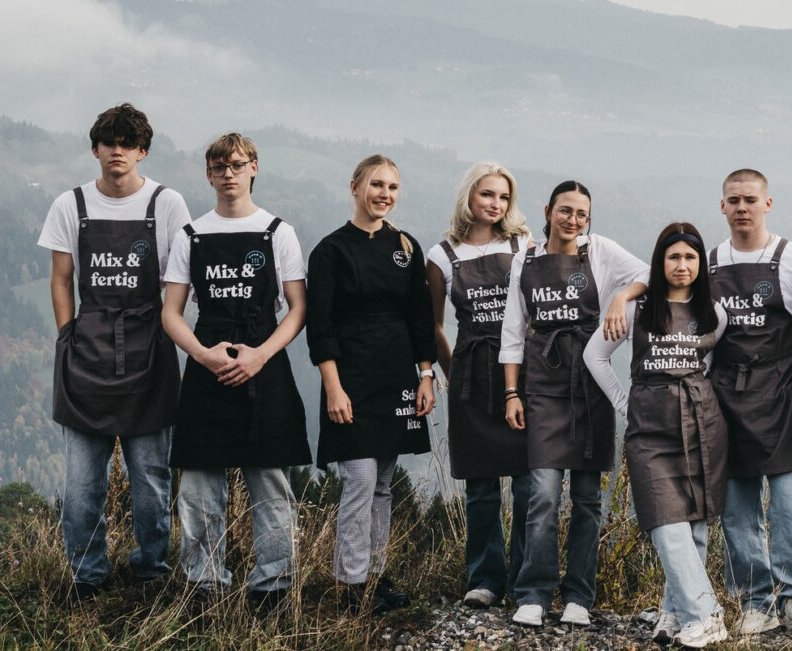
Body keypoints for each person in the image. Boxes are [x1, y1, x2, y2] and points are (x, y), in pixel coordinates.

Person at [42, 101, 191, 596]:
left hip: (149, 350)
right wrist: (67, 337)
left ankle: (151, 570)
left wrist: (167, 332)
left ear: (143, 151)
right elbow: (61, 279)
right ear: (95, 149)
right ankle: (86, 575)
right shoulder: (71, 205)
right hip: (87, 354)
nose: (117, 152)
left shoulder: (167, 204)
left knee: (150, 478)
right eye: (109, 143)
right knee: (82, 483)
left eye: (128, 144)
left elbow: (180, 279)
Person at [160, 131, 309, 608]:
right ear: (208, 174)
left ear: (254, 168)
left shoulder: (278, 232)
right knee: (199, 484)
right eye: (220, 167)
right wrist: (202, 355)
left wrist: (260, 355)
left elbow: (298, 308)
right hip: (207, 367)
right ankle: (204, 587)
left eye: (238, 165)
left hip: (265, 364)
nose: (229, 174)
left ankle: (273, 587)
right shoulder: (191, 235)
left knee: (271, 482)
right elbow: (171, 313)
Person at [502, 180, 647, 628]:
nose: (573, 220)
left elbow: (651, 273)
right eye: (565, 211)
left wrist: (621, 296)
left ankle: (579, 596)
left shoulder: (600, 250)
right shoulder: (525, 260)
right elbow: (512, 331)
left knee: (587, 499)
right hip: (542, 388)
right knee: (543, 496)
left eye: (582, 214)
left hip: (590, 387)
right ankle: (534, 593)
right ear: (548, 210)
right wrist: (512, 393)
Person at [308, 153, 439, 613]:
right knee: (360, 480)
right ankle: (350, 583)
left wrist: (426, 375)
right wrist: (333, 387)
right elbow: (320, 326)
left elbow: (420, 317)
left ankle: (375, 578)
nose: (384, 194)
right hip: (350, 378)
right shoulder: (330, 250)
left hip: (396, 375)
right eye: (376, 184)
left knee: (383, 483)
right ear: (355, 187)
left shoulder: (406, 247)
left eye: (392, 187)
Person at [595, 223, 733, 647]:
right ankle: (707, 614)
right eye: (674, 257)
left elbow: (706, 366)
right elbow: (594, 356)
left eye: (690, 257)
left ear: (701, 264)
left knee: (695, 522)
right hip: (649, 430)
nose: (682, 265)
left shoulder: (714, 312)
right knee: (663, 519)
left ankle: (675, 614)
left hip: (702, 423)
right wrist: (625, 405)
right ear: (660, 261)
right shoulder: (636, 309)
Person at [711, 168, 792, 635]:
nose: (742, 208)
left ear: (768, 204)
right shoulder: (708, 264)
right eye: (734, 200)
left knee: (791, 504)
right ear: (722, 206)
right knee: (737, 509)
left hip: (785, 397)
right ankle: (755, 601)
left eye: (750, 200)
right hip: (725, 399)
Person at [429, 161, 532, 608]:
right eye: (487, 194)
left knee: (529, 482)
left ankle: (527, 579)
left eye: (504, 197)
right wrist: (454, 373)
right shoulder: (442, 255)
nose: (495, 204)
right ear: (469, 195)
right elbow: (434, 326)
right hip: (471, 372)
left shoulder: (522, 244)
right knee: (481, 484)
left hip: (521, 373)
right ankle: (485, 579)